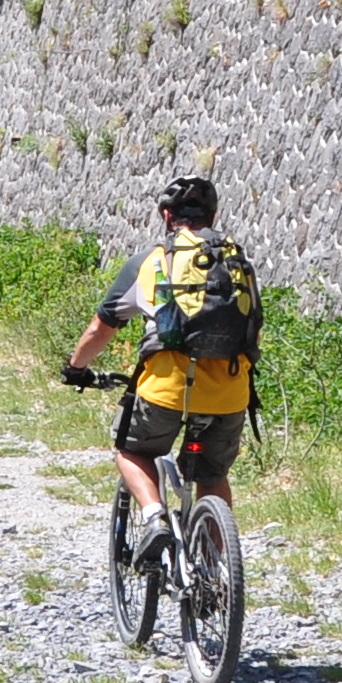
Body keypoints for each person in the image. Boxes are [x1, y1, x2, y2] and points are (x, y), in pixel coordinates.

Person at [61, 174, 259, 552]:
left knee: (131, 450)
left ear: (167, 217)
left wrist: (75, 368)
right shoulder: (237, 264)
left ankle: (154, 518)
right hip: (231, 393)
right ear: (214, 215)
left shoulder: (151, 262)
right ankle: (217, 572)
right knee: (211, 475)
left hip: (166, 391)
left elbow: (101, 329)